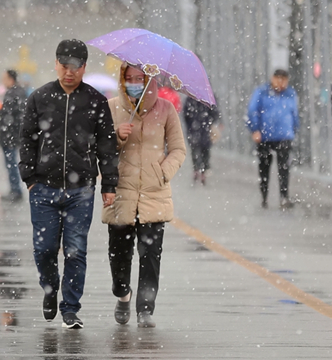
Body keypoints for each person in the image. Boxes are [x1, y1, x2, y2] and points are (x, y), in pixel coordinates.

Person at [19, 39, 119, 329]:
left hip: (81, 189)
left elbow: (106, 145)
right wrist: (29, 178)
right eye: (64, 66)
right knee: (45, 249)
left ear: (84, 68)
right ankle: (50, 289)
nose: (68, 72)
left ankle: (71, 308)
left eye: (75, 67)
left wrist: (109, 184)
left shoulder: (95, 101)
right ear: (56, 64)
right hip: (44, 188)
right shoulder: (40, 98)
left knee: (76, 249)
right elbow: (26, 138)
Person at [102, 62, 186, 328]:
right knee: (119, 254)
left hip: (154, 194)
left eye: (141, 77)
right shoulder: (112, 108)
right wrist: (116, 137)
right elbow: (99, 149)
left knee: (150, 256)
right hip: (121, 193)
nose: (135, 82)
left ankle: (145, 310)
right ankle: (122, 295)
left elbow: (178, 149)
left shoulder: (166, 110)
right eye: (130, 78)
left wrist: (162, 173)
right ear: (123, 80)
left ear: (151, 80)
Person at [246, 69, 299, 209]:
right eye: (278, 79)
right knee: (264, 167)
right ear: (272, 78)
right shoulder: (262, 92)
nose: (281, 83)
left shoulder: (290, 94)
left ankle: (284, 197)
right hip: (265, 136)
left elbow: (294, 114)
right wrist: (255, 129)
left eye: (284, 80)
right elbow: (252, 111)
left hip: (284, 136)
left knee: (284, 168)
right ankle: (264, 196)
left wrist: (294, 129)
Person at [0, 69, 26, 202]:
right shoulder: (19, 93)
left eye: (5, 78)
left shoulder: (13, 93)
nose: (3, 81)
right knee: (11, 163)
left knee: (11, 164)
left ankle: (15, 191)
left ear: (11, 79)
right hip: (13, 135)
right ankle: (15, 190)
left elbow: (9, 115)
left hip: (9, 136)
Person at [183, 96, 220, 185]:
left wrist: (189, 125)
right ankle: (203, 170)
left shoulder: (190, 98)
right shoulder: (209, 97)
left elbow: (186, 114)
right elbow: (215, 113)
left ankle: (196, 169)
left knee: (195, 150)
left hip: (194, 129)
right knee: (205, 150)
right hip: (205, 129)